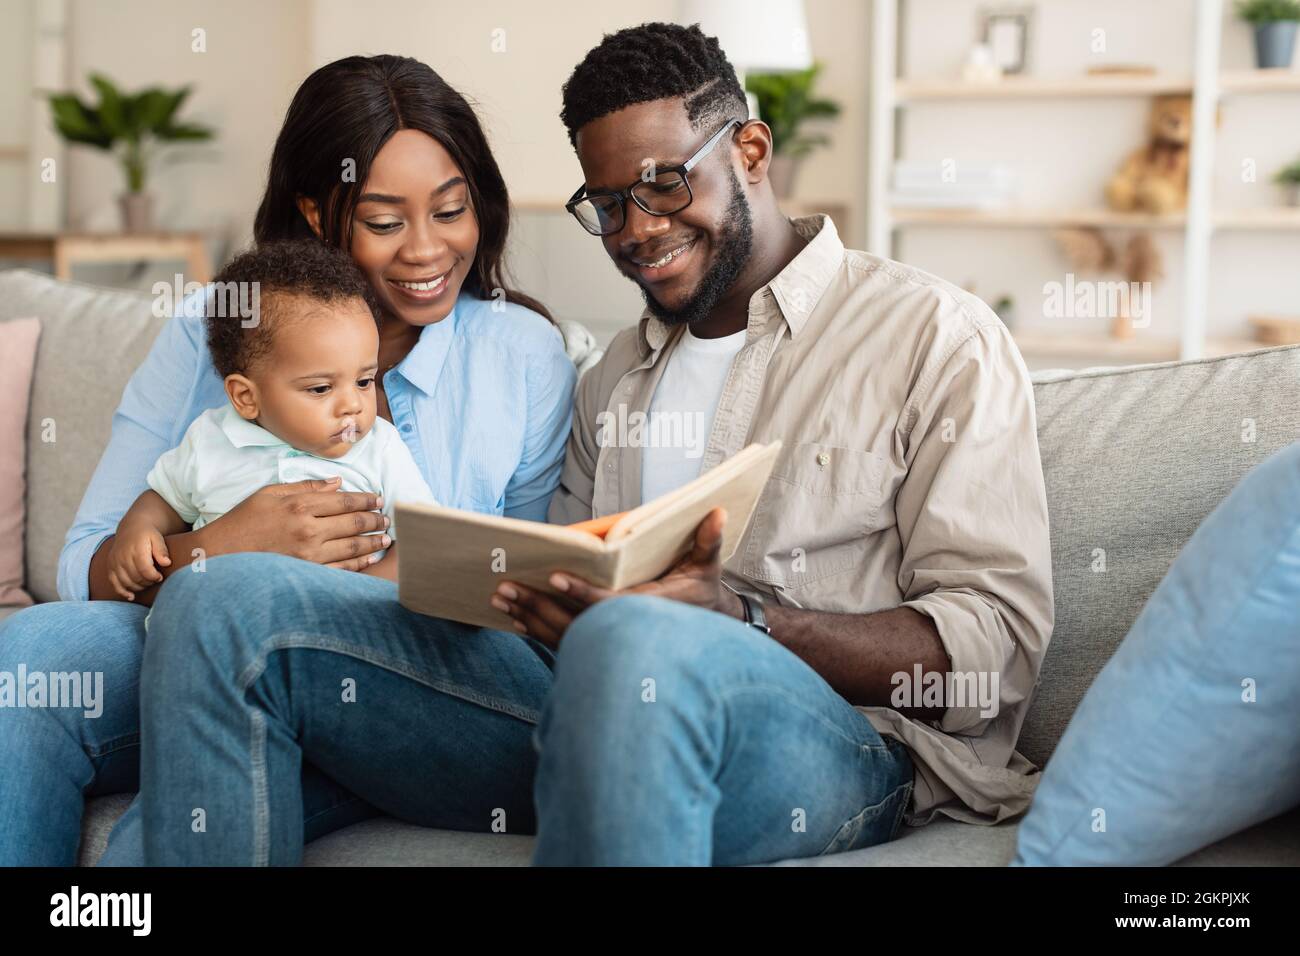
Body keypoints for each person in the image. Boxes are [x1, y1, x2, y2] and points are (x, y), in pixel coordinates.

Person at [132, 24, 1052, 866]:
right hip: (581, 710)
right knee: (224, 599)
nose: (639, 229)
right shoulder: (615, 374)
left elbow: (995, 657)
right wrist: (534, 597)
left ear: (751, 150)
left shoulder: (933, 335)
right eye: (608, 204)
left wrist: (743, 622)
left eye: (663, 183)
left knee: (635, 641)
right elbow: (558, 596)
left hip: (845, 745)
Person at [0, 54, 575, 866]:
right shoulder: (217, 326)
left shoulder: (522, 354)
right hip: (213, 652)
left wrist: (332, 596)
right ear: (315, 211)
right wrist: (224, 549)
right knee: (27, 661)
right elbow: (84, 563)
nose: (427, 250)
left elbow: (527, 600)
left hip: (427, 686)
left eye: (452, 211)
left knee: (239, 629)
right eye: (384, 222)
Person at [105, 240, 437, 601]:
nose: (352, 405)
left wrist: (358, 596)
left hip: (339, 624)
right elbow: (163, 500)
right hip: (214, 623)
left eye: (363, 381)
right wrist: (137, 531)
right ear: (247, 398)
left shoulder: (379, 447)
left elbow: (424, 543)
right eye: (321, 388)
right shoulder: (210, 439)